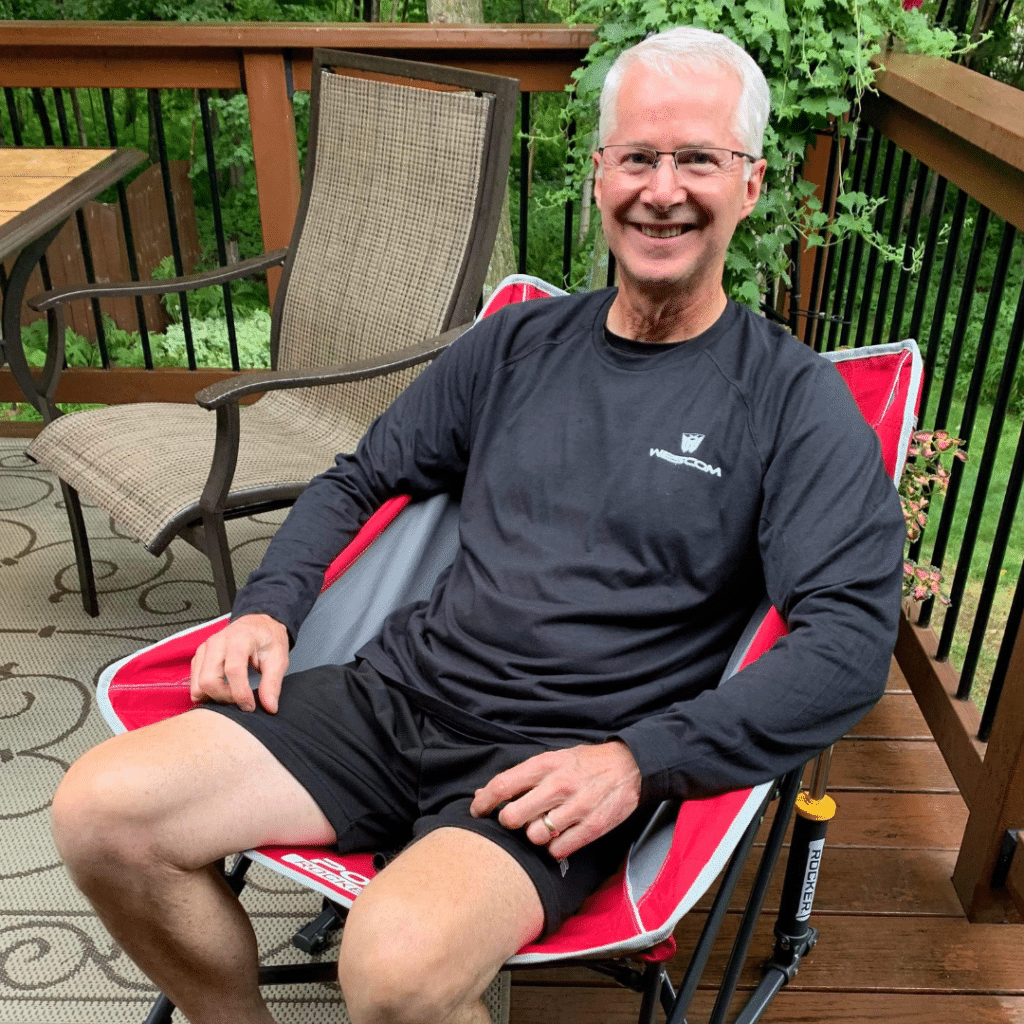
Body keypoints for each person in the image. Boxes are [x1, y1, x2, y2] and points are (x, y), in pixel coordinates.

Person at [50, 25, 905, 1024]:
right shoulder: (515, 344)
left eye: (697, 160)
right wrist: (269, 610)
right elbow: (358, 477)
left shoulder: (790, 401)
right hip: (394, 699)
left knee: (396, 976)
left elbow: (846, 645)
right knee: (100, 814)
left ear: (749, 186)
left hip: (561, 765)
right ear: (598, 176)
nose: (661, 188)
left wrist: (639, 759)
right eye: (636, 156)